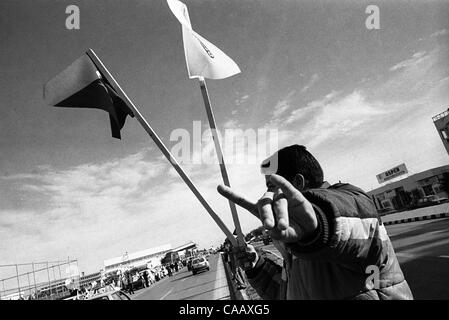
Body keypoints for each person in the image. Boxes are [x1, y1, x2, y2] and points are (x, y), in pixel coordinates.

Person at [217, 144, 413, 300]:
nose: (267, 196)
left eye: (272, 186)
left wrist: (319, 223)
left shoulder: (350, 206)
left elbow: (356, 224)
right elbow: (292, 292)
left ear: (298, 183)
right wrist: (258, 266)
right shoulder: (297, 241)